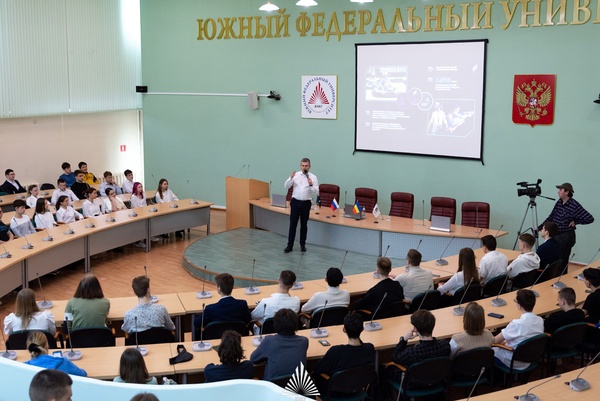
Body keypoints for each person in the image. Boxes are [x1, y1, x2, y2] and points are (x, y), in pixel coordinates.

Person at [312, 313, 375, 395]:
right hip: (358, 389)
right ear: (362, 329)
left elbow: (317, 368)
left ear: (344, 330)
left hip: (336, 392)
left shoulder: (336, 351)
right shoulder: (369, 348)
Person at [540, 183, 594, 270]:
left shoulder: (574, 205)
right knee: (554, 258)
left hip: (566, 235)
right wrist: (540, 227)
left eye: (560, 190)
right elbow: (551, 216)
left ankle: (560, 276)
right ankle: (554, 276)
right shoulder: (559, 202)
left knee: (561, 260)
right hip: (557, 234)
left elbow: (590, 218)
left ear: (567, 192)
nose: (558, 192)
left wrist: (576, 222)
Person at [388, 309, 450, 380]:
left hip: (415, 383)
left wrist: (404, 339)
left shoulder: (411, 352)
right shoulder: (445, 345)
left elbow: (395, 358)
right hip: (437, 380)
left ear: (415, 329)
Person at [250, 308, 308, 381]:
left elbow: (253, 359)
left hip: (272, 387)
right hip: (297, 386)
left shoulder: (269, 341)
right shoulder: (303, 341)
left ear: (275, 325)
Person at [493, 289, 543, 370]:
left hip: (512, 361)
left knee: (489, 350)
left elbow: (494, 341)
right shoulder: (540, 320)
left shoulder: (516, 324)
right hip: (529, 359)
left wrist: (503, 342)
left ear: (519, 306)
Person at [283, 157, 319, 253]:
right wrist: (290, 178)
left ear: (309, 166)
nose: (304, 167)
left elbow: (317, 192)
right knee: (293, 225)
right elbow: (286, 186)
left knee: (304, 225)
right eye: (303, 165)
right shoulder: (296, 175)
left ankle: (302, 245)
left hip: (306, 203)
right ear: (300, 166)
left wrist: (311, 184)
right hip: (295, 202)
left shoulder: (313, 177)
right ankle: (289, 246)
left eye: (306, 166)